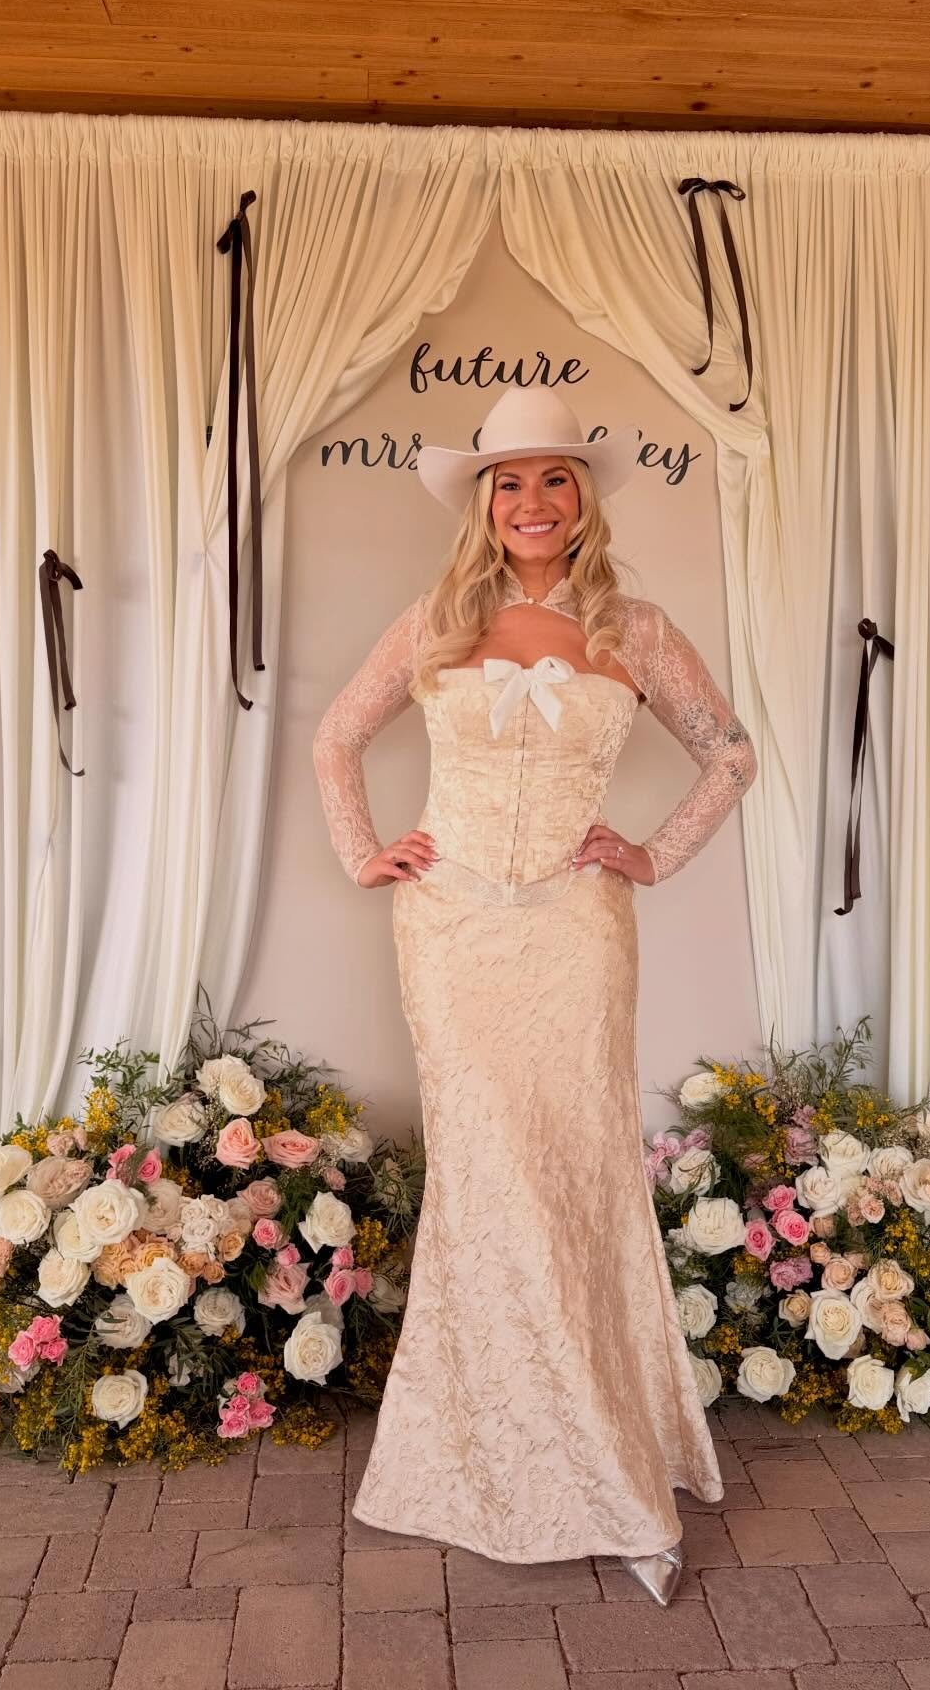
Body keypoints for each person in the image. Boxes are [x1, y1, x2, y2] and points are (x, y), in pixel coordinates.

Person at [312, 383, 757, 1606]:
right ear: (482, 500)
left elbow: (732, 751)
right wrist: (366, 849)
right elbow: (335, 738)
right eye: (510, 480)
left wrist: (652, 852)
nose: (533, 500)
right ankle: (482, 1450)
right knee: (488, 1171)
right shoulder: (434, 621)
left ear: (584, 496)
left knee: (575, 1164)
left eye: (556, 477)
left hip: (575, 932)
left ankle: (604, 1451)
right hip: (451, 932)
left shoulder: (638, 627)